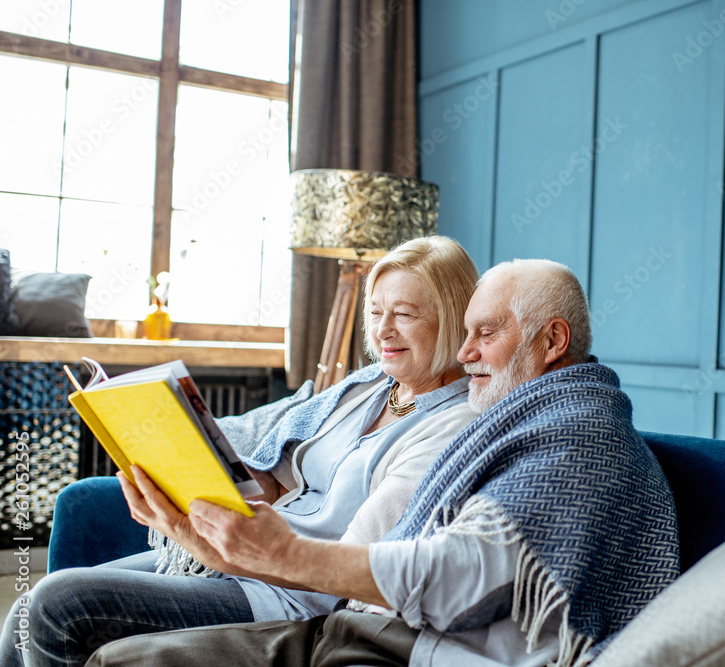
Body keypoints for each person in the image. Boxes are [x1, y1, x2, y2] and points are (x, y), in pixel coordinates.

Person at [86, 258, 682, 667]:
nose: (466, 353)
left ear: (552, 342)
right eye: (467, 333)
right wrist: (204, 533)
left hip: (399, 648)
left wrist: (281, 552)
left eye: (486, 334)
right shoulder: (528, 417)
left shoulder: (578, 439)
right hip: (361, 629)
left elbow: (467, 574)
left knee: (96, 638)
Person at [0, 235, 481, 667]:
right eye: (376, 313)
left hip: (290, 592)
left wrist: (199, 535)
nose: (383, 331)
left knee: (57, 607)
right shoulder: (369, 387)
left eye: (404, 314)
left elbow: (351, 566)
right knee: (24, 613)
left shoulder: (452, 424)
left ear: (455, 319)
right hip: (245, 558)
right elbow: (283, 475)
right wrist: (198, 466)